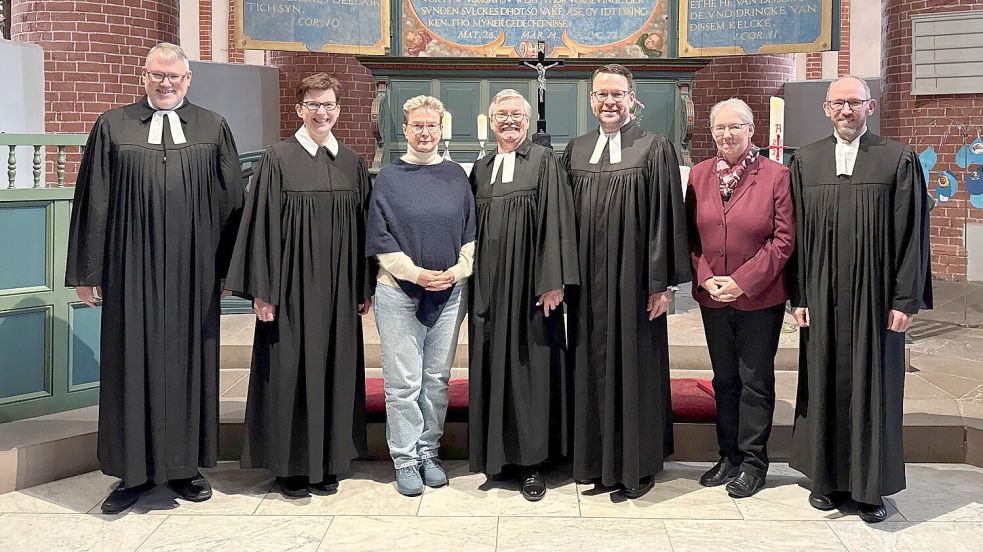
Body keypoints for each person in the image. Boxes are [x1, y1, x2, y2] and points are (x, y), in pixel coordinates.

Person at [65, 42, 244, 513]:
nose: (166, 84)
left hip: (194, 270)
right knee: (130, 360)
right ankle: (132, 473)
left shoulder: (212, 126)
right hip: (131, 268)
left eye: (175, 77)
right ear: (143, 76)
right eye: (157, 76)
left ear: (188, 80)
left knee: (191, 361)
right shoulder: (113, 125)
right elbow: (93, 200)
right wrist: (88, 271)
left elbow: (231, 205)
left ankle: (186, 467)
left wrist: (228, 269)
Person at [789, 75, 932, 523]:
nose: (846, 110)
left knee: (876, 389)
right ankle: (826, 481)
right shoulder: (806, 161)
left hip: (876, 302)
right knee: (824, 382)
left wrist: (904, 300)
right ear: (826, 109)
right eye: (838, 103)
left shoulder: (897, 158)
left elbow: (913, 236)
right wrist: (797, 295)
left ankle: (872, 489)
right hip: (821, 297)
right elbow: (794, 238)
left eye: (854, 102)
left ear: (870, 107)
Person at [225, 74, 374, 498]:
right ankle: (290, 467)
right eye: (313, 105)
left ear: (339, 109)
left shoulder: (351, 161)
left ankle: (328, 460)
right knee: (289, 371)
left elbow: (366, 230)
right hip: (290, 293)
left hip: (339, 293)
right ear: (299, 110)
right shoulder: (278, 158)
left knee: (334, 370)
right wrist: (263, 291)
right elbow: (260, 228)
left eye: (329, 104)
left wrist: (364, 285)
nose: (322, 112)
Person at [561, 64, 689, 499]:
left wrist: (662, 284)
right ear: (590, 100)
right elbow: (561, 223)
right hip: (587, 289)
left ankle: (639, 463)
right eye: (601, 95)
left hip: (635, 285)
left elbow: (666, 219)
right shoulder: (575, 150)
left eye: (617, 94)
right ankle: (596, 462)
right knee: (590, 367)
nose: (609, 102)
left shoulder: (655, 148)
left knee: (636, 368)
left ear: (632, 98)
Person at [468, 90, 579, 501]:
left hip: (533, 290)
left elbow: (557, 219)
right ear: (491, 121)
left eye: (516, 115)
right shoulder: (480, 169)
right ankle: (499, 458)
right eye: (502, 115)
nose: (509, 121)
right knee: (493, 366)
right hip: (489, 290)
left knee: (532, 371)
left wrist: (553, 281)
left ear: (528, 121)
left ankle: (533, 463)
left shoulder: (545, 163)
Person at [366, 95, 475, 496]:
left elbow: (471, 232)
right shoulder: (389, 178)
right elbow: (379, 237)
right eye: (417, 125)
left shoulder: (456, 176)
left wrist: (457, 271)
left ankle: (429, 450)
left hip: (449, 290)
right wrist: (416, 274)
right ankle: (405, 457)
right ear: (406, 129)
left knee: (436, 379)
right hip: (398, 293)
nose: (425, 132)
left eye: (432, 125)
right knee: (403, 382)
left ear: (441, 128)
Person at [685, 98, 794, 498]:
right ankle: (728, 455)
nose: (727, 135)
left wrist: (743, 281)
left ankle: (753, 462)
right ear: (711, 133)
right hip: (713, 297)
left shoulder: (776, 175)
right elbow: (691, 239)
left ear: (752, 130)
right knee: (724, 380)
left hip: (759, 298)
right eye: (719, 128)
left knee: (755, 381)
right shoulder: (698, 175)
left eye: (736, 127)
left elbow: (783, 240)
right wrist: (706, 278)